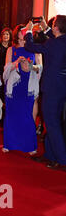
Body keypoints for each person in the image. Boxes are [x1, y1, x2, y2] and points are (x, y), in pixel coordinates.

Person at [24, 15, 66, 167]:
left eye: (52, 24)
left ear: (56, 27)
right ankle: (50, 154)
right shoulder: (60, 41)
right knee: (53, 122)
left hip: (52, 88)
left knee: (52, 123)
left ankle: (61, 160)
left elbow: (30, 46)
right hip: (62, 87)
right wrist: (44, 27)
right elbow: (53, 40)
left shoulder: (54, 44)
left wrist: (28, 31)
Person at [2, 25, 42, 155]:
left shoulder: (35, 48)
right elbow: (6, 68)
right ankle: (9, 143)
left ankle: (29, 145)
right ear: (17, 33)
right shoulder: (11, 49)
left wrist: (31, 66)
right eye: (21, 31)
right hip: (13, 87)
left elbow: (40, 67)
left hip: (28, 86)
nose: (23, 32)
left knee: (27, 116)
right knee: (11, 115)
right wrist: (16, 63)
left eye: (26, 31)